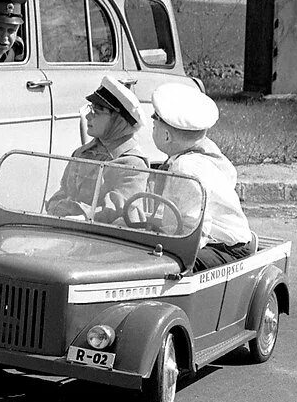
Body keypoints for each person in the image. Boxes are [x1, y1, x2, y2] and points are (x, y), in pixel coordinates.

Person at [151, 81, 254, 271]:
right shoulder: (204, 152)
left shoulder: (185, 167)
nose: (152, 126)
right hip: (222, 239)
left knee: (167, 265)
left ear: (166, 136)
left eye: (154, 121)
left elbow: (195, 228)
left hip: (226, 247)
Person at [46, 75, 151, 220]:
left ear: (119, 121)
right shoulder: (82, 153)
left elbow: (118, 210)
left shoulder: (133, 164)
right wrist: (55, 206)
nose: (88, 116)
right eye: (91, 109)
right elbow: (64, 191)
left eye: (98, 111)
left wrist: (81, 217)